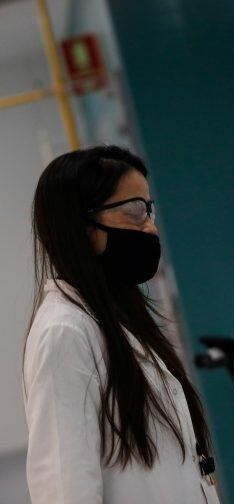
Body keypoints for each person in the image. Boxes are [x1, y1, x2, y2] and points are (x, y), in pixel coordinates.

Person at [23, 146, 219, 503]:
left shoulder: (118, 320)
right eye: (134, 213)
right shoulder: (64, 332)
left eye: (149, 210)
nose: (150, 227)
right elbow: (65, 488)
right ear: (81, 226)